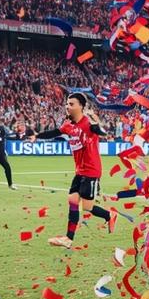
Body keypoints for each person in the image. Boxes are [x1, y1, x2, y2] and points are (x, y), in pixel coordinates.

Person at [32, 93, 115, 247]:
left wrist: (96, 121)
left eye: (71, 104)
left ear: (81, 106)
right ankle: (68, 239)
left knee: (88, 208)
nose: (67, 106)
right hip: (79, 171)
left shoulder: (88, 123)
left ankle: (110, 215)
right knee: (72, 202)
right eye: (67, 104)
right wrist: (37, 136)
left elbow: (102, 132)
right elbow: (55, 132)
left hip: (91, 171)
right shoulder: (68, 125)